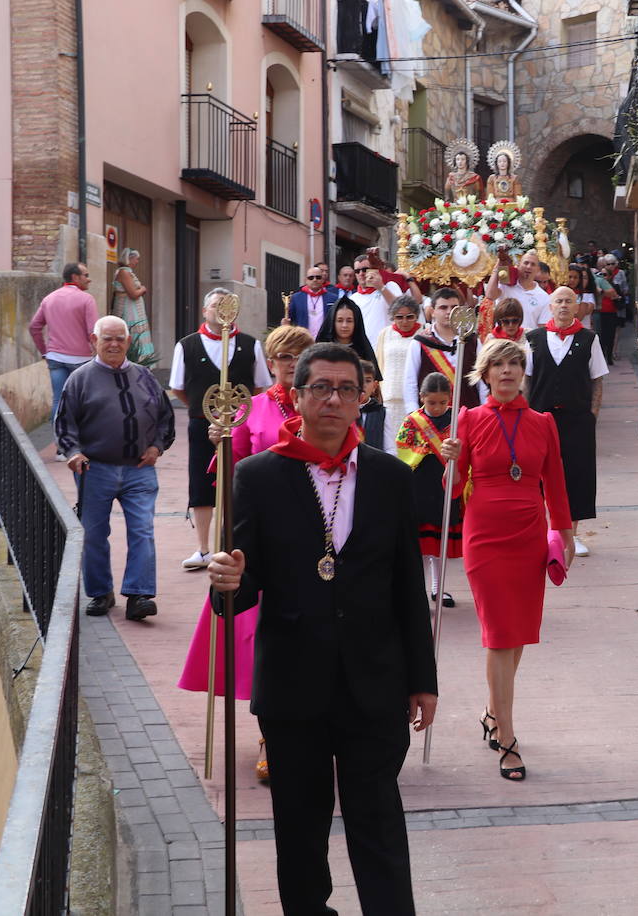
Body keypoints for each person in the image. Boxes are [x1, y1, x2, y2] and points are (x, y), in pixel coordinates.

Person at [207, 343, 437, 915]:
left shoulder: (388, 476)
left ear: (363, 399)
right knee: (300, 828)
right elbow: (239, 589)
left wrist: (422, 679)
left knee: (378, 820)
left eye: (346, 389)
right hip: (293, 682)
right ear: (298, 395)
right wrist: (226, 582)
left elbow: (408, 584)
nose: (333, 399)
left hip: (375, 681)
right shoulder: (257, 477)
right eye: (320, 388)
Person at [178, 324, 314, 782]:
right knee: (262, 642)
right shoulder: (251, 408)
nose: (292, 364)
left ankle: (310, 725)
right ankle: (269, 736)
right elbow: (230, 478)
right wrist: (221, 438)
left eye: (300, 355)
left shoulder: (325, 406)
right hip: (261, 540)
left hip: (316, 535)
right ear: (270, 363)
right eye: (284, 357)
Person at [439, 338, 574, 780]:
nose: (507, 372)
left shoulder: (544, 423)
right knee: (499, 634)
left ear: (522, 373)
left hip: (530, 534)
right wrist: (452, 461)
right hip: (485, 536)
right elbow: (452, 490)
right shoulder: (469, 419)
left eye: (514, 364)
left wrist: (565, 531)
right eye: (498, 365)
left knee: (516, 634)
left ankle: (493, 712)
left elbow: (555, 481)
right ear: (485, 373)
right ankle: (508, 738)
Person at [56, 316, 175, 620]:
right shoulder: (79, 379)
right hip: (96, 470)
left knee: (143, 531)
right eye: (107, 338)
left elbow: (165, 418)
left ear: (128, 341)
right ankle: (100, 592)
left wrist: (156, 447)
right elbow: (65, 424)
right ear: (93, 341)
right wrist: (73, 452)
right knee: (94, 534)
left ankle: (139, 595)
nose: (113, 344)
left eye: (119, 338)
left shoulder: (145, 376)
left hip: (139, 469)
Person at [169, 288, 273, 572]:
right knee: (201, 482)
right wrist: (205, 411)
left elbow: (260, 385)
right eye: (216, 306)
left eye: (227, 306)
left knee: (240, 479)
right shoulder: (187, 345)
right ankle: (203, 548)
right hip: (201, 423)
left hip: (241, 424)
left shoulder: (250, 345)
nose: (221, 311)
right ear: (205, 311)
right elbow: (178, 388)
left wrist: (237, 415)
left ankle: (236, 544)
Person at [524, 287, 607, 558]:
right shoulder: (534, 339)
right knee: (536, 475)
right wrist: (524, 413)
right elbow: (526, 379)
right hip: (540, 417)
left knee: (576, 476)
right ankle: (540, 532)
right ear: (550, 306)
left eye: (568, 301)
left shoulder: (588, 338)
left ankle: (571, 535)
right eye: (558, 301)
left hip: (577, 419)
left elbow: (597, 379)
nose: (562, 305)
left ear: (576, 307)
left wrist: (592, 415)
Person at [395, 372, 463, 606]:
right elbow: (402, 448)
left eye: (442, 402)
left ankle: (439, 588)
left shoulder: (456, 419)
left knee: (440, 541)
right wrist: (424, 449)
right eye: (431, 402)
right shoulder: (412, 421)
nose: (437, 407)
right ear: (422, 397)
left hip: (445, 484)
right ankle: (419, 590)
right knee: (421, 543)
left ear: (449, 399)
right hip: (420, 484)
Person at [29, 261, 97, 455]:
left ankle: (61, 447)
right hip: (81, 360)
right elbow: (93, 332)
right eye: (85, 275)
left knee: (59, 400)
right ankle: (80, 444)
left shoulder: (49, 299)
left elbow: (34, 327)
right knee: (83, 401)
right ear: (75, 278)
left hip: (55, 358)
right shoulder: (86, 299)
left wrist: (44, 351)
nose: (88, 278)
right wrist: (99, 356)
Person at [402, 287, 484, 411]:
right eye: (443, 307)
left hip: (468, 414)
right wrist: (413, 413)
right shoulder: (420, 343)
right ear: (433, 311)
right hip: (431, 418)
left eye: (454, 307)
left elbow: (482, 380)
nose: (449, 312)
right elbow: (410, 382)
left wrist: (484, 410)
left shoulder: (472, 341)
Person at [373, 295, 423, 452]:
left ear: (416, 316)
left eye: (410, 317)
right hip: (390, 399)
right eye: (399, 317)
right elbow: (379, 363)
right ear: (393, 318)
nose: (405, 321)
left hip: (415, 401)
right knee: (390, 445)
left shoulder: (424, 333)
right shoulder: (385, 334)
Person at [350, 255, 403, 355]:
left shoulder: (390, 286)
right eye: (357, 271)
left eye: (365, 269)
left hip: (388, 349)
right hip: (364, 352)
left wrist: (380, 287)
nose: (361, 273)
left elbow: (400, 309)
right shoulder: (353, 299)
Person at [112, 249, 156, 366]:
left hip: (133, 309)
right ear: (130, 259)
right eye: (136, 259)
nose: (137, 261)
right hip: (130, 310)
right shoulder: (124, 273)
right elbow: (133, 294)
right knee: (134, 335)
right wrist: (143, 289)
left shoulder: (126, 272)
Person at [486, 250, 550, 330]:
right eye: (526, 263)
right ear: (519, 265)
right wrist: (497, 269)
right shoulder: (506, 285)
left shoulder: (544, 297)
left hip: (526, 340)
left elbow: (542, 328)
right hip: (503, 339)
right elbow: (490, 295)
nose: (528, 266)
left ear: (537, 269)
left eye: (533, 264)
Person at [316, 298, 380, 373]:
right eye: (340, 320)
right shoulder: (322, 350)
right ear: (333, 322)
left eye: (349, 321)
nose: (344, 325)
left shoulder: (364, 351)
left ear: (356, 323)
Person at [286, 265, 342, 336]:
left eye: (318, 277)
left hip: (325, 341)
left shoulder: (333, 298)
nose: (314, 280)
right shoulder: (296, 298)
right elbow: (290, 318)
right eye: (311, 278)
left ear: (322, 280)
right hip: (303, 340)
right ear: (306, 280)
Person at [592, 260, 621, 364]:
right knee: (601, 335)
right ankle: (602, 357)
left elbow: (618, 298)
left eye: (605, 275)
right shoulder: (597, 285)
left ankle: (609, 356)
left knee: (611, 335)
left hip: (611, 313)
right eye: (601, 274)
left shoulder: (614, 286)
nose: (603, 277)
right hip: (600, 313)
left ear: (609, 276)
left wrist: (616, 298)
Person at [358, 359, 387, 452]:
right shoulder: (342, 411)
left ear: (375, 386)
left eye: (367, 381)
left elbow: (390, 449)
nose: (363, 385)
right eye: (359, 380)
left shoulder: (383, 413)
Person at [566, 263, 597, 330]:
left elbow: (579, 316)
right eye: (570, 277)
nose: (572, 280)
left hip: (583, 331)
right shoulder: (561, 294)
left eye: (575, 277)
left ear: (580, 279)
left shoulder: (588, 295)